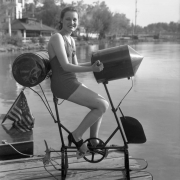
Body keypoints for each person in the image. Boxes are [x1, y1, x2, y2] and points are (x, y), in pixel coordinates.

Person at [48, 6, 109, 155]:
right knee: (102, 105)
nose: (72, 22)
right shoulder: (57, 38)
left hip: (70, 81)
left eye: (75, 19)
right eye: (68, 19)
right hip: (62, 83)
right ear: (61, 20)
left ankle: (93, 141)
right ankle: (76, 135)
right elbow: (66, 66)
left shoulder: (71, 40)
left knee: (101, 103)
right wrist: (91, 69)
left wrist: (96, 64)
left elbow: (75, 65)